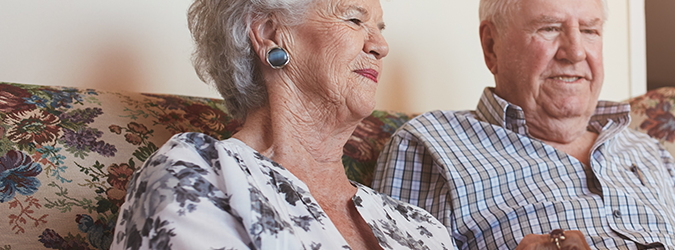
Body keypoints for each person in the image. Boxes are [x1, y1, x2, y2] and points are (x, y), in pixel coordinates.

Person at [110, 0, 454, 249]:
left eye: (379, 28)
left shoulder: (420, 225)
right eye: (353, 20)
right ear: (269, 34)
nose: (381, 46)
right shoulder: (196, 172)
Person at [372, 0, 675, 249]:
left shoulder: (648, 150)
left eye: (590, 31)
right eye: (550, 28)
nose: (575, 51)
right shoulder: (431, 145)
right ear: (491, 46)